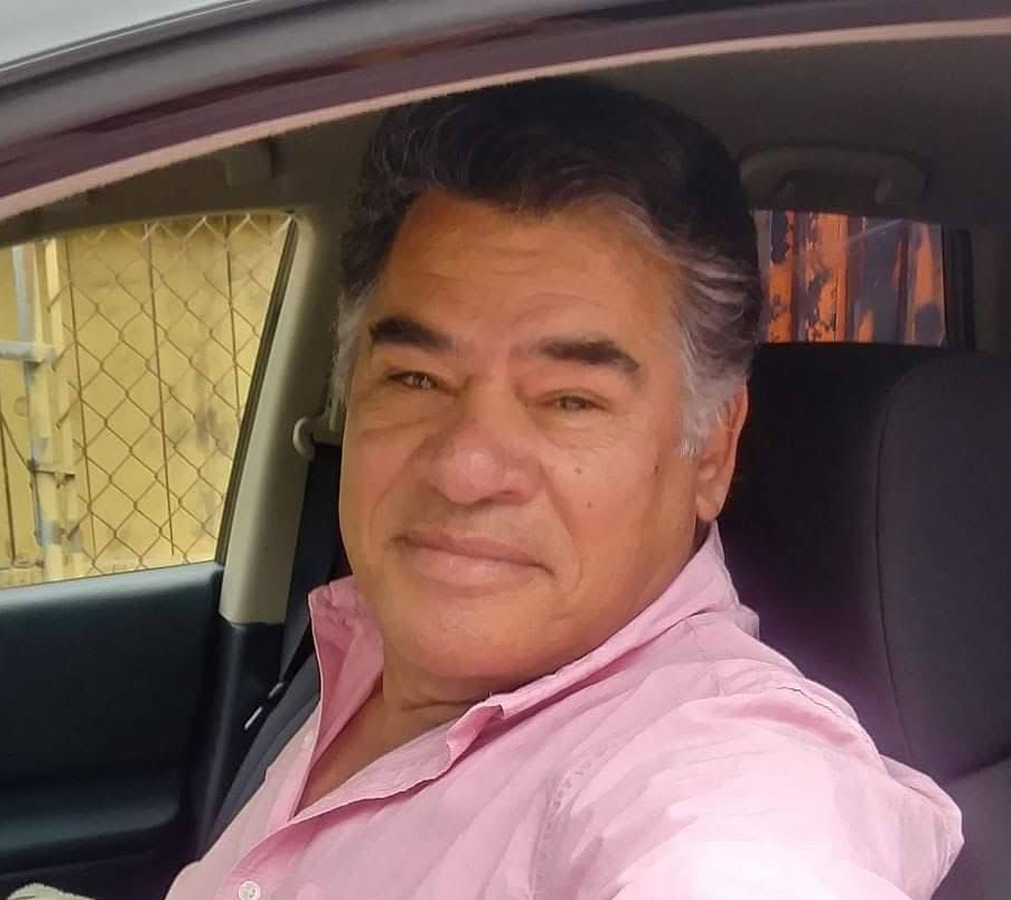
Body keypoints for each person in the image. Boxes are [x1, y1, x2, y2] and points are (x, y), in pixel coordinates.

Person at [165, 79, 962, 899]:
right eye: (416, 378)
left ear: (712, 452)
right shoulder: (353, 645)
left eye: (569, 401)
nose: (464, 469)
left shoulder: (726, 771)